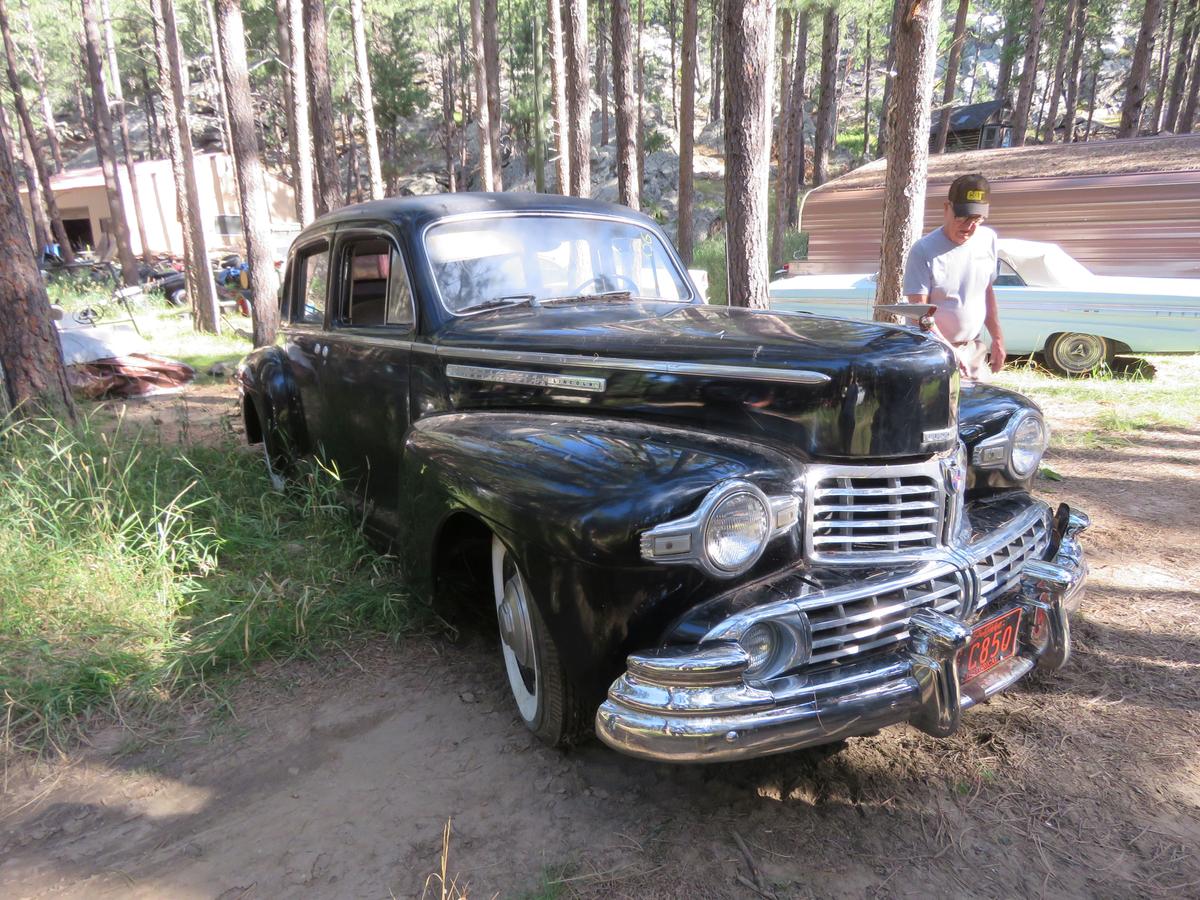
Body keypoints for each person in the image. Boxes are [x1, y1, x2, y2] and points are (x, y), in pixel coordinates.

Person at [903, 173, 1006, 380]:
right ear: (946, 208)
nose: (968, 226)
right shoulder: (923, 250)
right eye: (962, 217)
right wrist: (950, 351)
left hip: (972, 349)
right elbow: (920, 315)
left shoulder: (988, 240)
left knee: (978, 410)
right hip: (931, 352)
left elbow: (985, 290)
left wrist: (997, 339)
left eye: (976, 219)